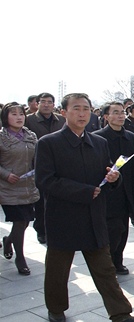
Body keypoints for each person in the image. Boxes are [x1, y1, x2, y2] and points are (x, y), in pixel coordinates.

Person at [35, 93, 134, 322]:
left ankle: (121, 313)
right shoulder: (48, 143)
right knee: (58, 270)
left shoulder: (99, 143)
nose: (82, 113)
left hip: (94, 216)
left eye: (86, 108)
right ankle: (56, 309)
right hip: (62, 217)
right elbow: (45, 181)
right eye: (76, 108)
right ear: (63, 112)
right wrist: (83, 191)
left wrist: (114, 178)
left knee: (105, 269)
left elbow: (106, 176)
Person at [94, 102, 134, 273]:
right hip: (108, 191)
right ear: (106, 117)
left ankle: (118, 260)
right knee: (111, 228)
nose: (120, 116)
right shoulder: (97, 138)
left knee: (123, 228)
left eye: (122, 112)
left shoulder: (131, 138)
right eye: (115, 113)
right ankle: (108, 262)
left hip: (127, 190)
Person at [0, 102, 40, 275]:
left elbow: (37, 157)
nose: (19, 117)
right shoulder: (1, 137)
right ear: (5, 117)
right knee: (19, 220)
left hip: (28, 186)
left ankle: (9, 240)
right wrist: (5, 174)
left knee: (25, 222)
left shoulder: (31, 135)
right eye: (14, 114)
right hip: (7, 187)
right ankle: (20, 257)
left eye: (21, 114)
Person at [25, 92, 66, 244]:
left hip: (60, 165)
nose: (46, 105)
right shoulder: (29, 120)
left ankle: (57, 229)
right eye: (43, 102)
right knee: (41, 201)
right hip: (38, 165)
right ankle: (41, 230)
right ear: (37, 103)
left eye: (49, 102)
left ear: (54, 104)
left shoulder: (61, 120)